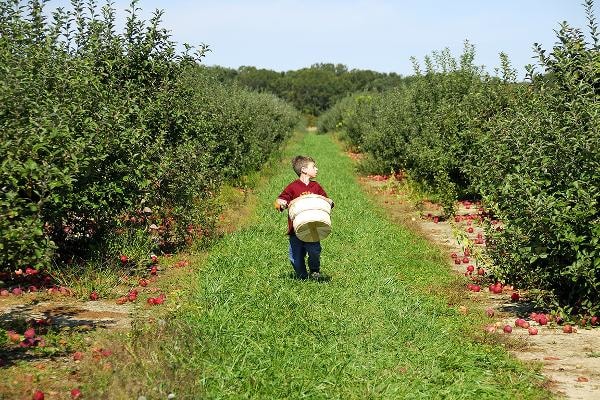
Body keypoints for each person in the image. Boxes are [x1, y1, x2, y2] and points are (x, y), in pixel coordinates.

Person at [275, 155, 333, 280]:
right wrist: (280, 204)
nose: (316, 169)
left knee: (314, 251)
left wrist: (327, 200)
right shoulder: (292, 187)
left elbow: (328, 201)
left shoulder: (316, 187)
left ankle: (314, 271)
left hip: (313, 226)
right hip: (296, 230)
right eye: (313, 167)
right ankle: (302, 277)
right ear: (304, 170)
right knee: (295, 257)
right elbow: (280, 200)